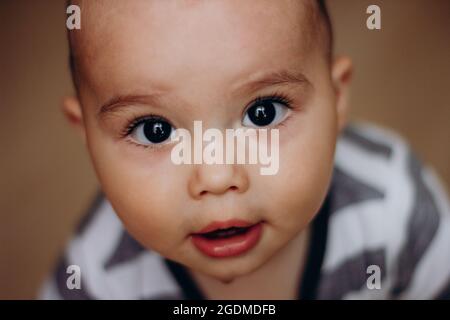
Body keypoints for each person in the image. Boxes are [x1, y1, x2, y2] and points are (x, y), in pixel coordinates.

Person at [39, 0, 449, 299]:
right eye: (155, 129)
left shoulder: (397, 206)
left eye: (263, 113)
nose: (217, 177)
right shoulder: (97, 278)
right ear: (87, 135)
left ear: (336, 96)